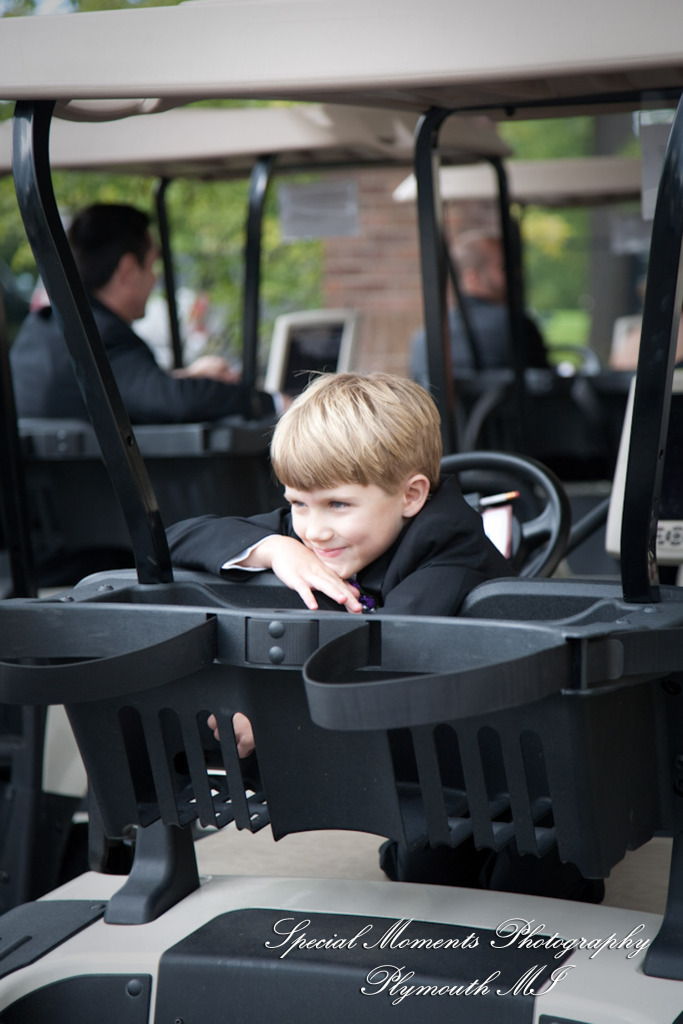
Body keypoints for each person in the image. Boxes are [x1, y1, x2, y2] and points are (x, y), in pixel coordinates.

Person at [9, 204, 276, 424]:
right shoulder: (101, 337)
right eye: (151, 265)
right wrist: (269, 401)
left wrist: (188, 377)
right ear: (127, 269)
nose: (154, 278)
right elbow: (175, 402)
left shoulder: (41, 329)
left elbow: (116, 387)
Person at [410, 227, 548, 387]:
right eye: (504, 268)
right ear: (472, 278)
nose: (516, 274)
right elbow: (546, 384)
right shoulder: (515, 325)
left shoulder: (424, 337)